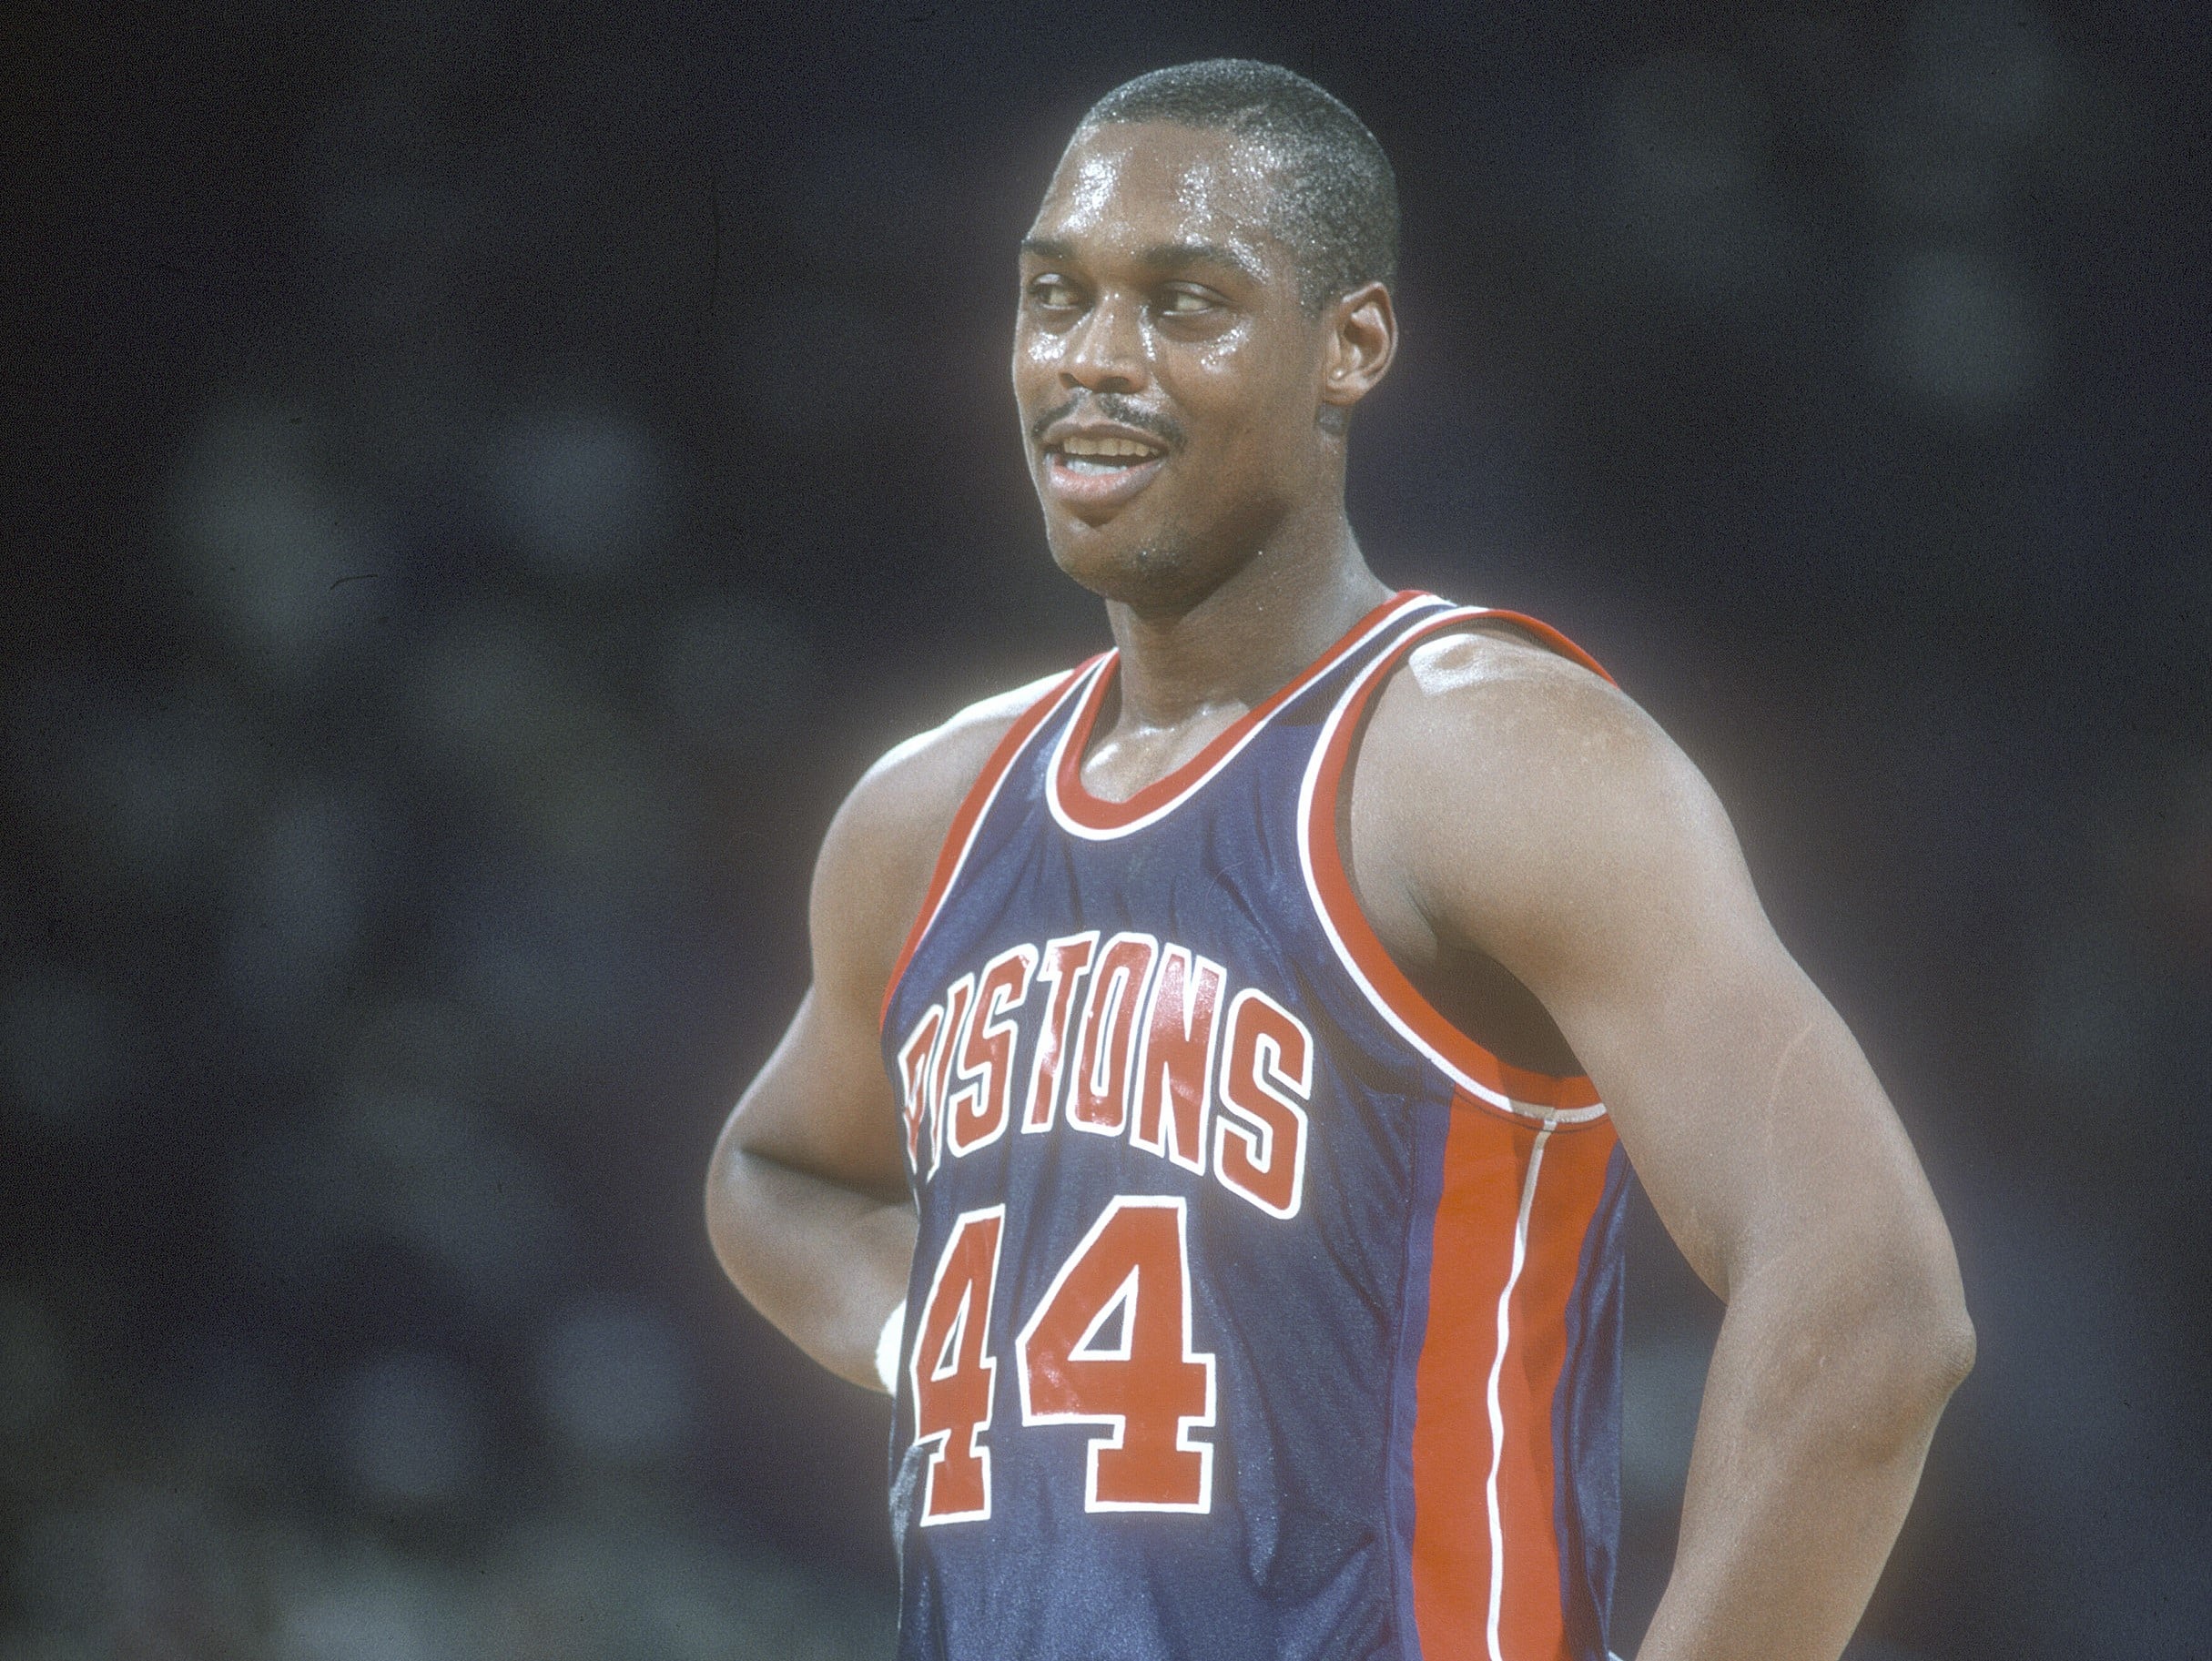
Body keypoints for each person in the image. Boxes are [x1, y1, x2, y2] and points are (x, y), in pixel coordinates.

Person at [705, 58, 1973, 1661]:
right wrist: (928, 1329)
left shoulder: (1490, 758)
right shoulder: (922, 813)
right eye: (1052, 297)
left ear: (1350, 346)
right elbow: (774, 1173)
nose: (1093, 360)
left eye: (1186, 304)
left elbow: (1869, 1307)